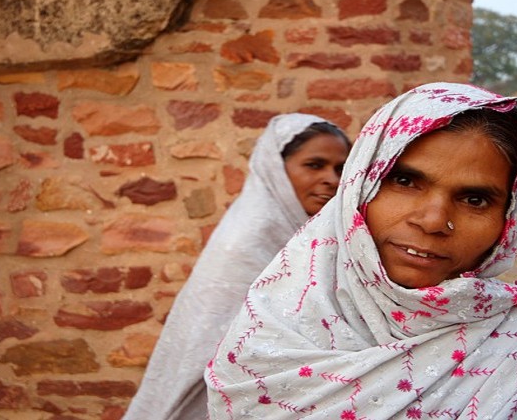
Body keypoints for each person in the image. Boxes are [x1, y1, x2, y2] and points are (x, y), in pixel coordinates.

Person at [205, 82, 517, 419]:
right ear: (359, 187)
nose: (432, 221)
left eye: (475, 199)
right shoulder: (270, 330)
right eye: (405, 182)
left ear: (509, 220)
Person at [122, 113, 351, 420]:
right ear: (276, 170)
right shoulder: (248, 240)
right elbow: (209, 342)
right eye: (314, 165)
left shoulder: (323, 237)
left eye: (340, 169)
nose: (331, 179)